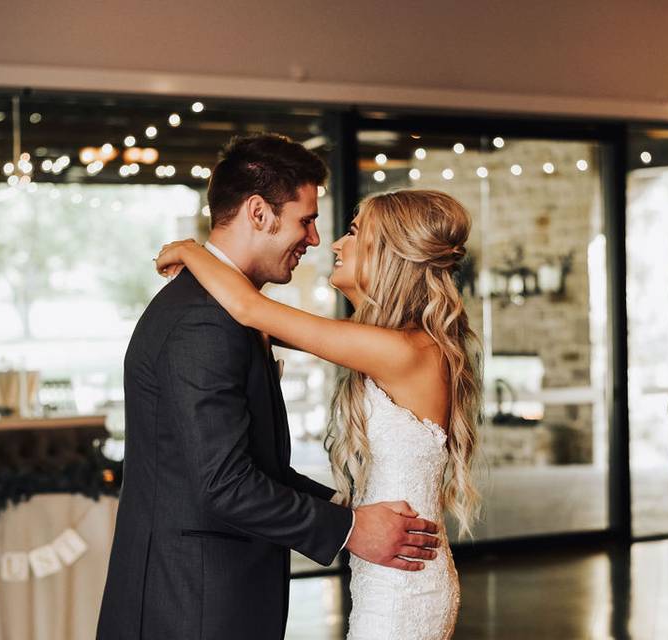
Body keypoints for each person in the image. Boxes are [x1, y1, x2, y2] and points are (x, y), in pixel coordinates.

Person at [97, 135, 442, 640]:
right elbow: (226, 483)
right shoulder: (206, 320)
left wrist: (195, 253)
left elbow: (252, 466)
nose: (318, 240)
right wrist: (350, 526)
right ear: (259, 213)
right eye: (307, 219)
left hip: (208, 595)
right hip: (194, 604)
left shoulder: (225, 312)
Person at [156, 187, 481, 640]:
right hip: (397, 569)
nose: (334, 244)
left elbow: (251, 309)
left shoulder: (403, 350)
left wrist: (192, 250)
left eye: (353, 232)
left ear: (391, 253)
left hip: (402, 587)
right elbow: (270, 323)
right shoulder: (396, 343)